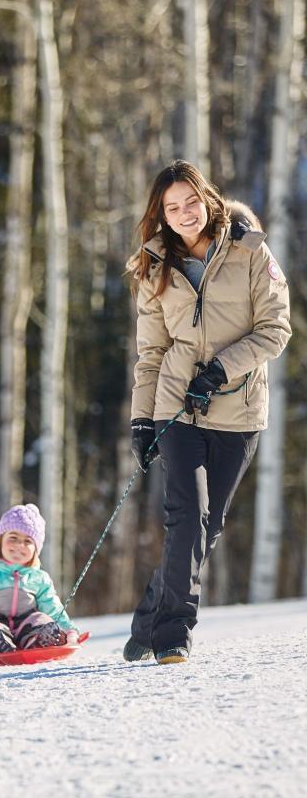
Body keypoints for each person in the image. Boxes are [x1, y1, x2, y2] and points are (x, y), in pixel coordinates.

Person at [125, 160, 291, 665]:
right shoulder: (154, 266)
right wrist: (142, 418)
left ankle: (150, 617)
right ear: (161, 213)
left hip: (238, 411)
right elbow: (151, 353)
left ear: (208, 198)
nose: (183, 214)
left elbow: (276, 328)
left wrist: (220, 370)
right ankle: (174, 632)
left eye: (190, 202)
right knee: (185, 519)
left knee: (207, 527)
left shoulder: (250, 250)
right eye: (172, 207)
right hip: (177, 410)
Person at [0, 504, 79, 663]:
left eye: (28, 541)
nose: (20, 545)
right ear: (0, 541)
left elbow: (53, 608)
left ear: (36, 549)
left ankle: (42, 640)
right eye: (13, 538)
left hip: (27, 628)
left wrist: (69, 631)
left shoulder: (39, 578)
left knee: (42, 619)